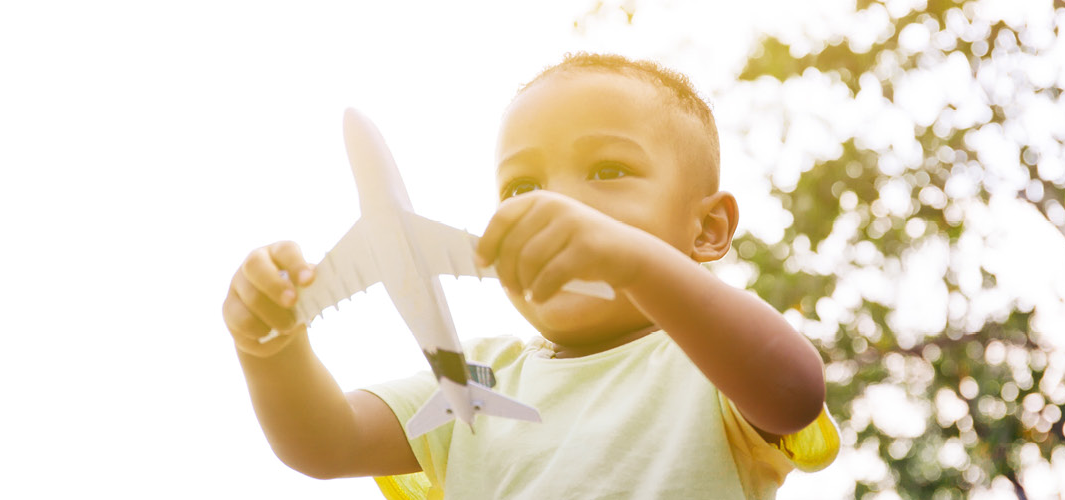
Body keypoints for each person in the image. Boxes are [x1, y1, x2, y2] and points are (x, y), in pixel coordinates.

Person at [221, 52, 839, 499]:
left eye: (607, 171)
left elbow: (792, 391)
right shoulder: (478, 372)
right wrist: (270, 344)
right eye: (521, 186)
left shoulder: (710, 363)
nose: (558, 204)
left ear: (706, 230)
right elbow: (329, 444)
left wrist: (629, 258)